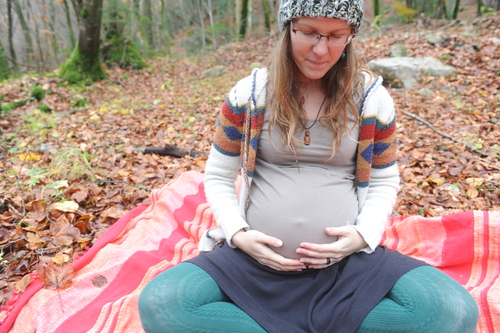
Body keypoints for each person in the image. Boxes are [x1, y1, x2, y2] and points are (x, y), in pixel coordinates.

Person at [138, 0, 479, 332]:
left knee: (450, 310)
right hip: (252, 265)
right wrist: (238, 235)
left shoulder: (371, 99)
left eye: (335, 35)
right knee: (165, 303)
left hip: (346, 267)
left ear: (350, 36)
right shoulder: (250, 94)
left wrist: (361, 236)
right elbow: (218, 175)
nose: (320, 49)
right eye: (310, 32)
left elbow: (383, 180)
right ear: (288, 28)